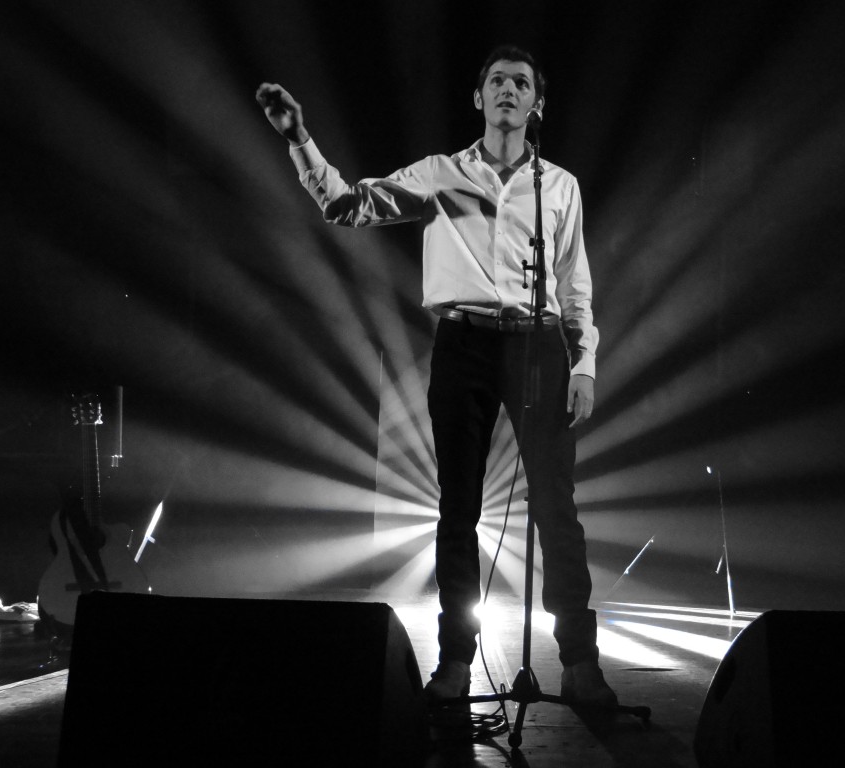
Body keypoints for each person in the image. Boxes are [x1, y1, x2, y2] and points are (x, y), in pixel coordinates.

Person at [257, 45, 616, 707]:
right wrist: (299, 138)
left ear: (537, 104)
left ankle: (580, 662)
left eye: (521, 83)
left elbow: (575, 288)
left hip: (538, 347)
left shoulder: (559, 186)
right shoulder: (440, 173)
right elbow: (348, 206)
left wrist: (584, 364)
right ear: (478, 98)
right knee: (458, 509)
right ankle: (455, 661)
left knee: (557, 510)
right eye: (497, 81)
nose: (508, 90)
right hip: (464, 343)